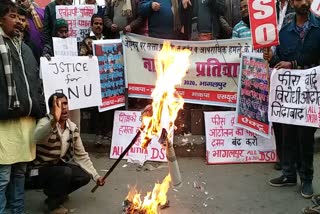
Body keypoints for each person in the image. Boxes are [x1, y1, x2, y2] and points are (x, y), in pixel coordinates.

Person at [264, 0, 320, 199]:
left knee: (305, 138)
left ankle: (306, 179)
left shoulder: (319, 29)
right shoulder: (285, 32)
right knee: (286, 135)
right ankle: (288, 174)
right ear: (293, 2)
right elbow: (278, 62)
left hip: (309, 96)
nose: (303, 2)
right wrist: (270, 57)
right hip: (287, 98)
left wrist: (294, 64)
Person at [0, 1, 45, 213]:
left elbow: (34, 82)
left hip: (25, 121)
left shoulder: (25, 49)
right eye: (12, 16)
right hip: (3, 123)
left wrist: (39, 107)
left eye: (20, 18)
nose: (18, 21)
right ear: (0, 19)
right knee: (3, 178)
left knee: (19, 175)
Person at [31, 93, 105, 214]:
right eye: (59, 105)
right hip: (37, 171)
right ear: (52, 109)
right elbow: (37, 138)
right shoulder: (45, 123)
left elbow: (81, 155)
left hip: (56, 168)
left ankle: (58, 194)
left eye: (65, 103)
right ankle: (52, 206)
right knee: (65, 172)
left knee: (84, 176)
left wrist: (96, 176)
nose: (64, 107)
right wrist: (54, 121)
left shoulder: (72, 128)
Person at [42, 18, 82, 132]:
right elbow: (43, 66)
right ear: (55, 32)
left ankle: (75, 145)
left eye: (66, 31)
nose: (64, 35)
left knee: (74, 123)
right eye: (61, 32)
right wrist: (46, 59)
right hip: (58, 93)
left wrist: (87, 60)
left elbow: (80, 66)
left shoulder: (73, 47)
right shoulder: (48, 47)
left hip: (73, 93)